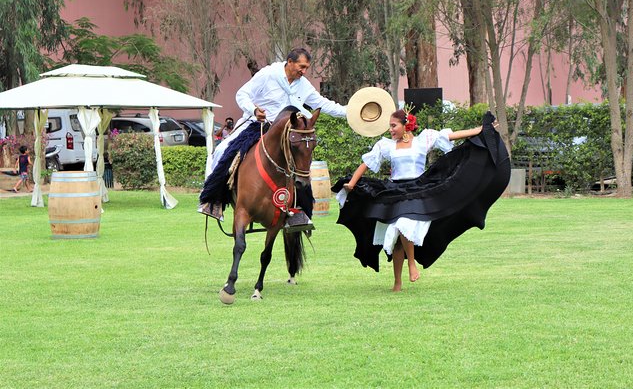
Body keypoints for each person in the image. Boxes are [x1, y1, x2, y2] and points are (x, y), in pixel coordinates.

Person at [333, 107, 510, 292]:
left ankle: (412, 264)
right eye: (389, 126)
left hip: (418, 190)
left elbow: (453, 136)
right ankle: (397, 283)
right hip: (395, 191)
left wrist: (482, 130)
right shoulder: (386, 145)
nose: (390, 130)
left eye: (393, 126)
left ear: (405, 125)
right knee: (396, 240)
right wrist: (352, 183)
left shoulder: (423, 140)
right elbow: (366, 164)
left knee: (403, 224)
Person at [200, 48, 347, 227]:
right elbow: (242, 94)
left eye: (307, 67)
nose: (304, 71)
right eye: (301, 66)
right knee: (224, 149)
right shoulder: (268, 74)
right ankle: (214, 201)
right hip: (258, 125)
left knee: (302, 164)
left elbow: (323, 104)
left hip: (287, 133)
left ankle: (300, 213)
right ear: (290, 62)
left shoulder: (304, 84)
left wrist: (350, 112)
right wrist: (254, 110)